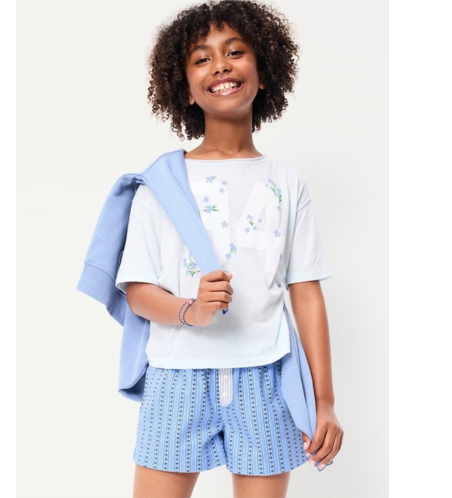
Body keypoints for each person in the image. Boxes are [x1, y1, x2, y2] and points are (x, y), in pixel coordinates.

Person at [79, 1, 343, 497]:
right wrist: (191, 310)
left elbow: (306, 293)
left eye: (235, 52)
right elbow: (137, 291)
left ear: (263, 72)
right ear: (185, 87)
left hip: (266, 377)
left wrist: (324, 400)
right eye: (202, 59)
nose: (220, 65)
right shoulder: (160, 185)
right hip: (175, 378)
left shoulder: (287, 182)